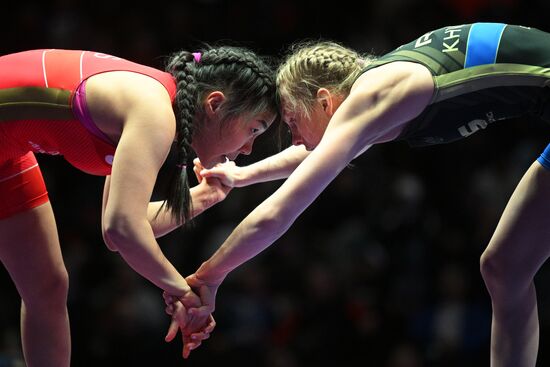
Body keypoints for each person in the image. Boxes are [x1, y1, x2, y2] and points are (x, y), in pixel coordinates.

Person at [172, 23, 550, 367]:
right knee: (504, 267)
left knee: (506, 266)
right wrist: (241, 175)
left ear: (324, 102)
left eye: (291, 122)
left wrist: (209, 275)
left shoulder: (376, 94)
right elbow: (309, 154)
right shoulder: (377, 96)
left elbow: (279, 212)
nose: (295, 138)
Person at [0, 45, 278, 366]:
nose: (248, 149)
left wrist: (206, 196)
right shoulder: (154, 111)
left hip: (8, 154)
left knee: (47, 288)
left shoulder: (155, 107)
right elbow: (122, 230)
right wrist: (182, 293)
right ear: (215, 104)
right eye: (253, 129)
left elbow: (122, 225)